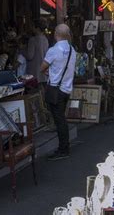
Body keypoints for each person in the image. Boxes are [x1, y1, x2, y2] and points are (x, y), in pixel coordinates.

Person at [41, 24, 77, 161]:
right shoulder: (72, 50)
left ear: (56, 34)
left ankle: (63, 149)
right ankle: (64, 147)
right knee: (61, 118)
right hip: (66, 89)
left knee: (60, 120)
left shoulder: (53, 50)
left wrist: (49, 73)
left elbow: (42, 67)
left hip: (56, 90)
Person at [26, 18, 50, 84]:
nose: (32, 28)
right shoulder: (45, 39)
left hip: (34, 71)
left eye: (33, 27)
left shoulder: (32, 40)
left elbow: (30, 56)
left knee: (35, 92)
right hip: (44, 70)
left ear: (37, 28)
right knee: (43, 92)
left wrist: (22, 51)